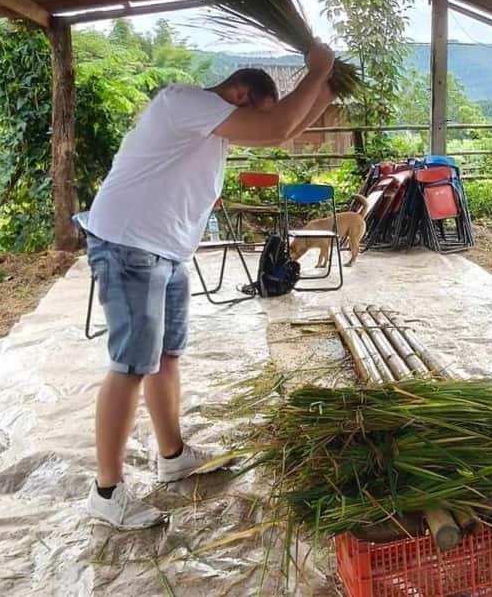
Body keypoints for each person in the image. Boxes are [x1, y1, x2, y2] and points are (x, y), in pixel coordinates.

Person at [82, 44, 337, 530]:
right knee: (131, 364)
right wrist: (317, 68)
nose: (251, 128)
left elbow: (282, 133)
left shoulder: (213, 127)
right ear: (239, 93)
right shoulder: (185, 102)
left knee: (165, 356)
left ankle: (172, 454)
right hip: (129, 244)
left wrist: (324, 90)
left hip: (166, 251)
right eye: (256, 111)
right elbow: (276, 127)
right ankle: (107, 491)